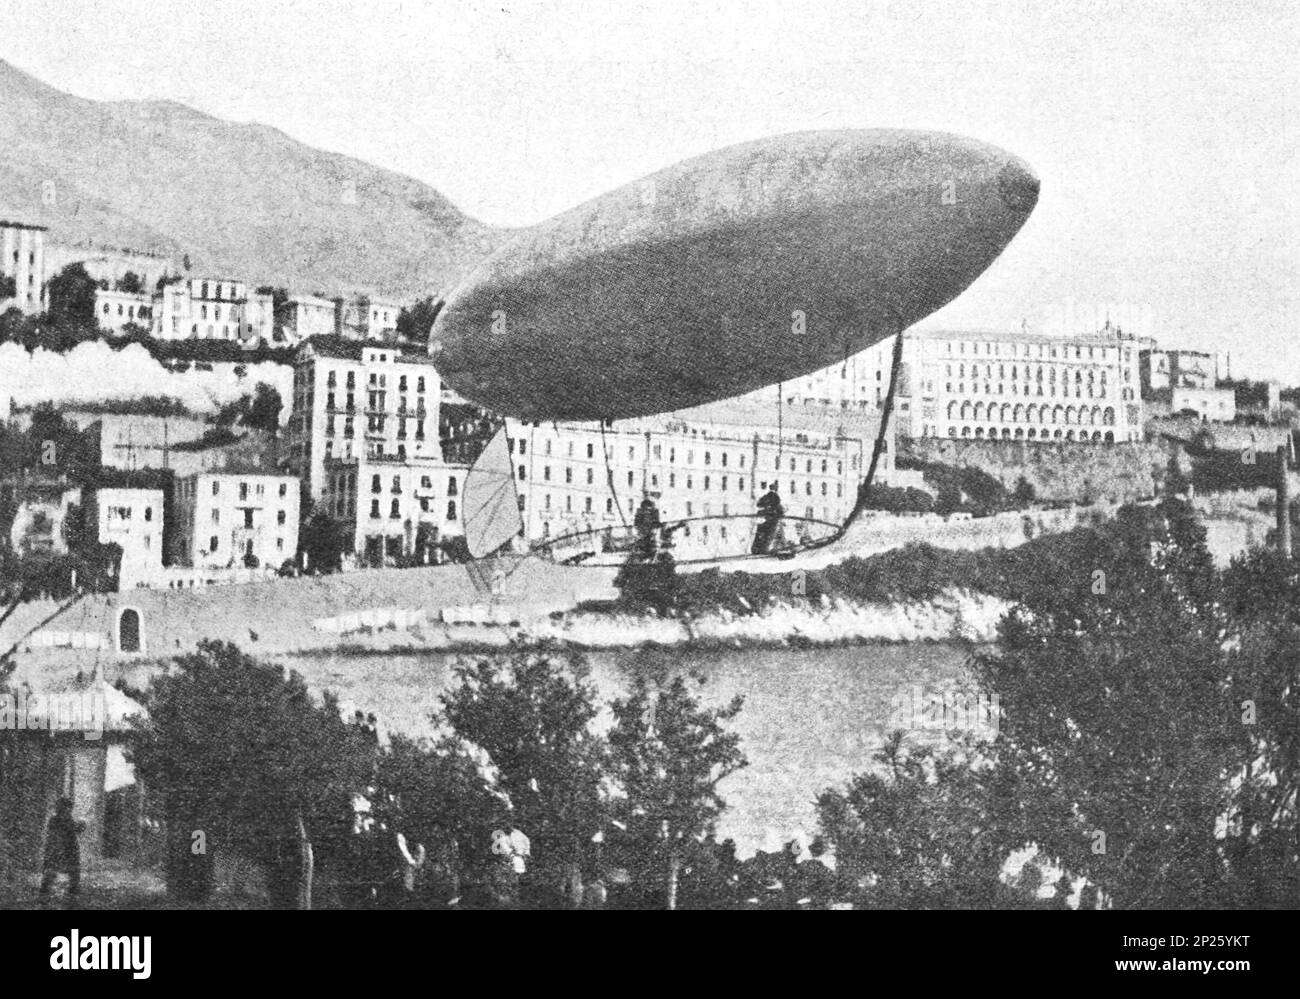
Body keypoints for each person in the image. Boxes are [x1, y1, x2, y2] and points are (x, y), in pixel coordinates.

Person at [39, 797, 83, 901]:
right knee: (53, 871)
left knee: (72, 871)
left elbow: (74, 830)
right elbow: (65, 832)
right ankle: (45, 893)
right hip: (62, 847)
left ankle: (71, 894)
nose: (67, 810)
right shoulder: (57, 819)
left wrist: (79, 826)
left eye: (67, 808)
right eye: (64, 807)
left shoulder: (64, 819)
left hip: (67, 848)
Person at [752, 484, 784, 555]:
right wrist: (781, 513)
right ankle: (765, 549)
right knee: (769, 534)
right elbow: (778, 506)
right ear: (775, 489)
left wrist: (766, 507)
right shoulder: (776, 497)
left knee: (760, 534)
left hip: (763, 517)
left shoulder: (765, 496)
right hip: (772, 518)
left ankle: (756, 549)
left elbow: (758, 504)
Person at [633, 492, 662, 560]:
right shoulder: (640, 512)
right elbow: (637, 523)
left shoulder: (654, 511)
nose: (647, 509)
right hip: (644, 532)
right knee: (643, 545)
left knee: (652, 544)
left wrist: (654, 530)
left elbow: (656, 523)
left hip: (650, 532)